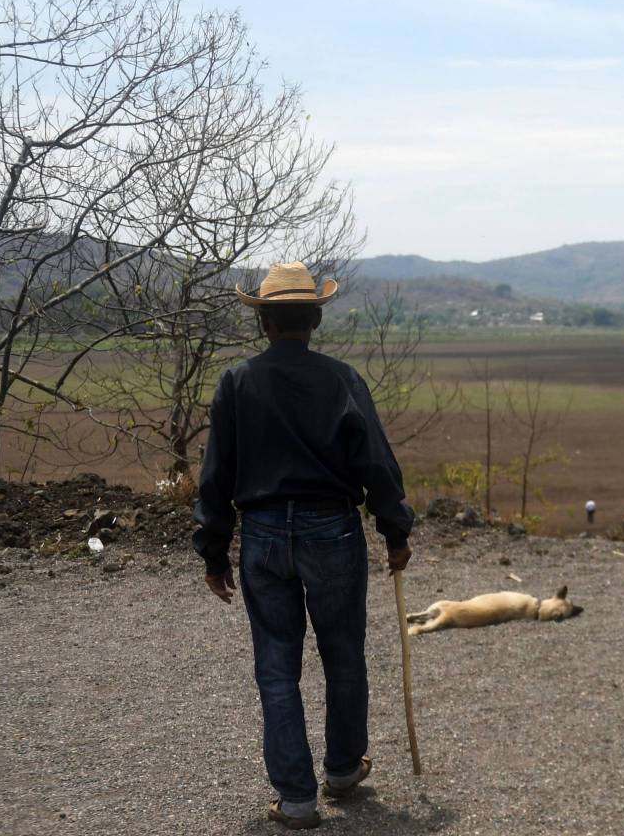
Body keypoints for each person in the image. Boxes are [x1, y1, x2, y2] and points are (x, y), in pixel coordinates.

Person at [193, 261, 415, 831]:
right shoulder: (341, 379)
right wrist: (395, 530)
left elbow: (217, 475)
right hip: (333, 531)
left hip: (263, 535)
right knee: (343, 654)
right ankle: (342, 770)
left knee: (276, 667)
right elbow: (376, 465)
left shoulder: (237, 382)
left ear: (264, 323)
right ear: (314, 320)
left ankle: (296, 800)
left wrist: (214, 552)